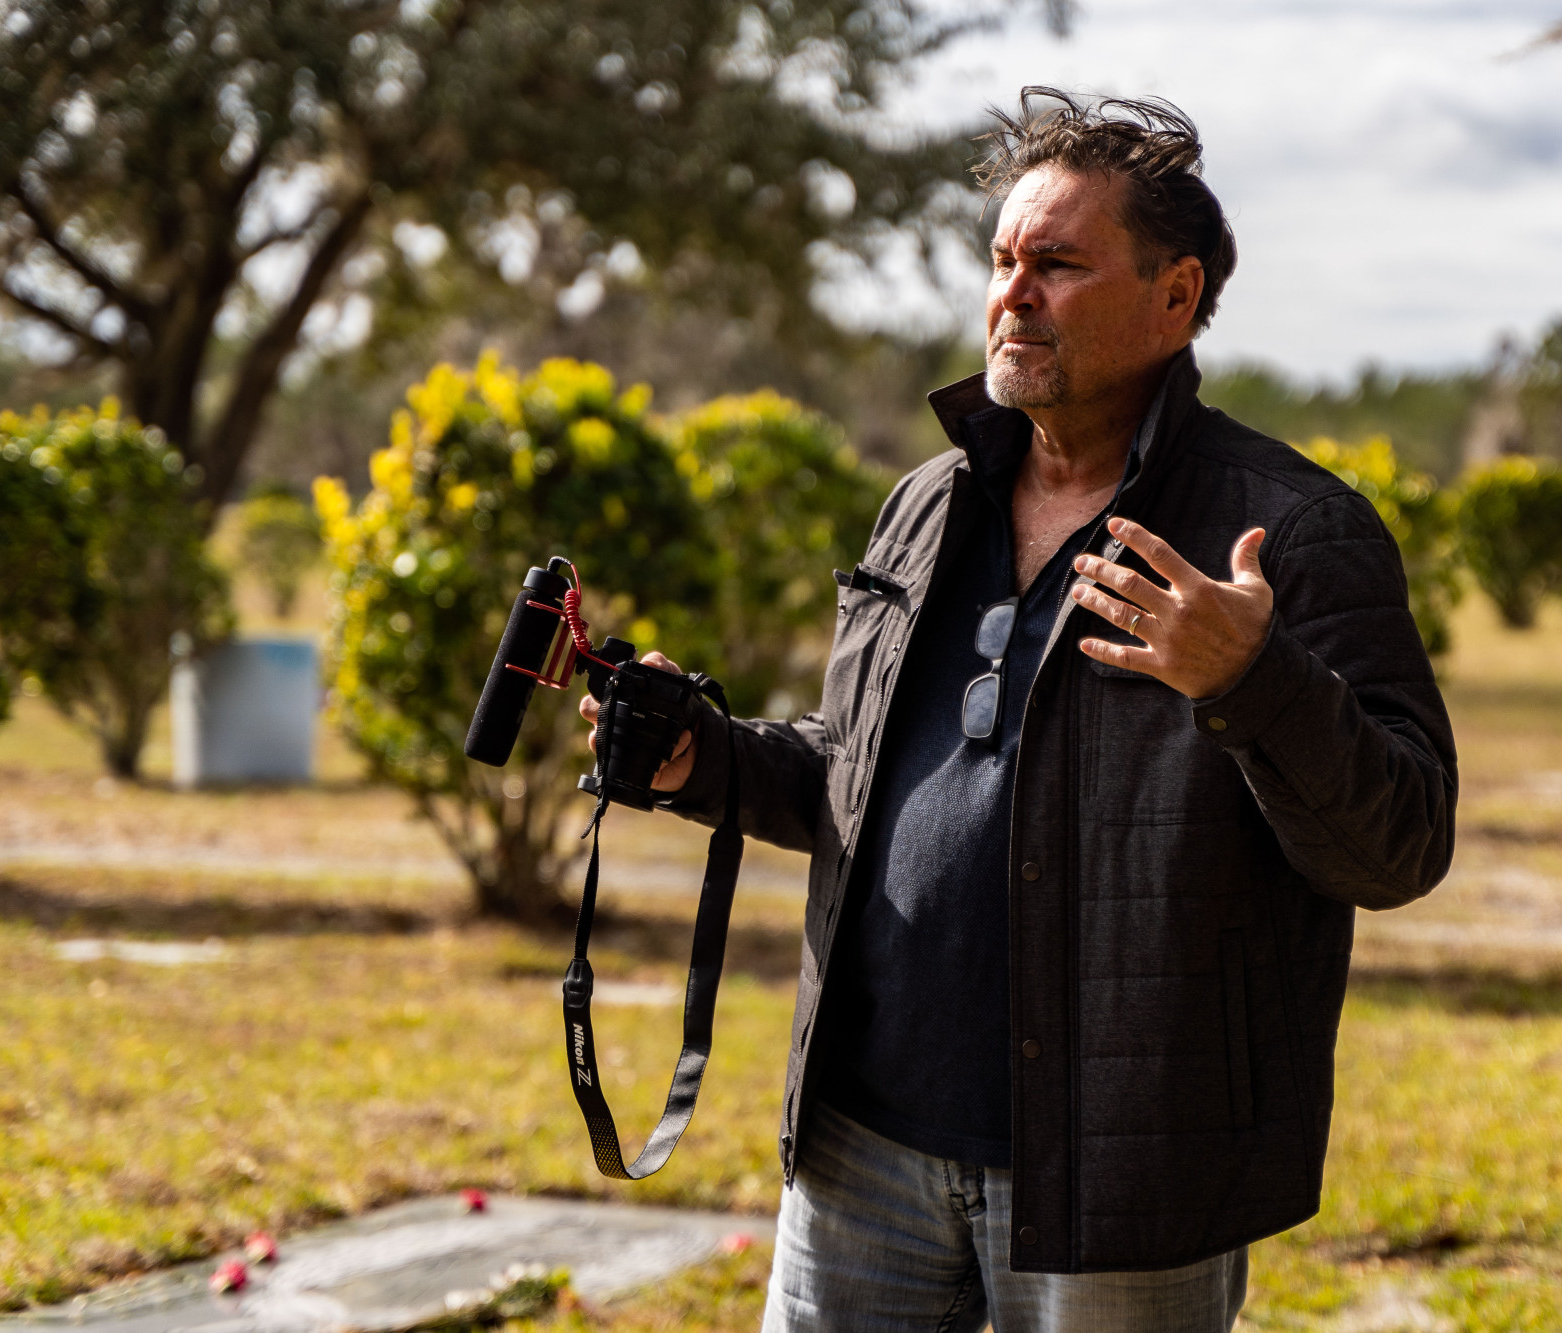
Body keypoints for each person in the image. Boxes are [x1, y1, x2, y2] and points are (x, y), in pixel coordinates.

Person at [581, 88, 1458, 1333]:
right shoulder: (926, 502)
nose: (1013, 295)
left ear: (1173, 296)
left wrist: (1250, 678)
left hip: (1117, 1179)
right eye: (1002, 261)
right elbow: (860, 772)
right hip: (860, 1143)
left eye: (1058, 264)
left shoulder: (1290, 532)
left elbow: (1399, 844)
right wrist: (701, 759)